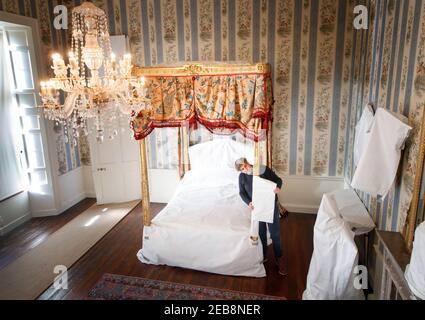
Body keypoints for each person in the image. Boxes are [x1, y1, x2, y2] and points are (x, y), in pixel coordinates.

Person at [234, 158, 288, 276]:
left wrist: (278, 187)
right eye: (242, 169)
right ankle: (263, 255)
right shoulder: (242, 177)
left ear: (247, 162)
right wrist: (249, 202)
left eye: (245, 166)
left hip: (270, 205)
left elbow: (278, 180)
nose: (245, 169)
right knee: (262, 233)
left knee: (275, 233)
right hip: (257, 208)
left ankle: (279, 258)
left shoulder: (262, 169)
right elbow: (241, 192)